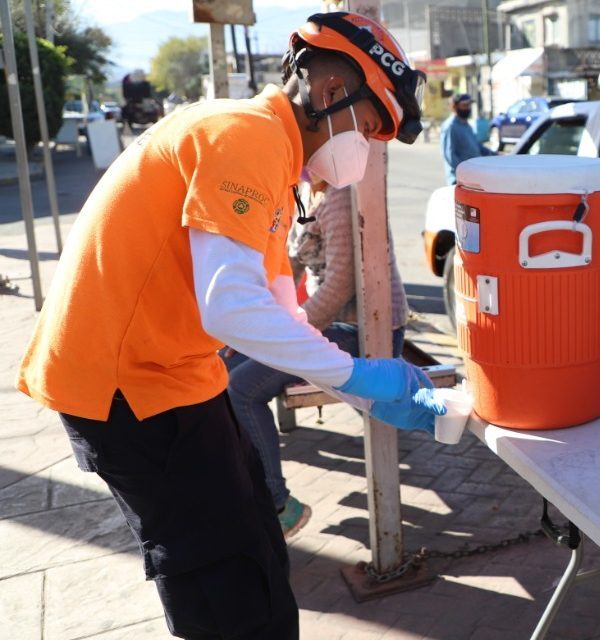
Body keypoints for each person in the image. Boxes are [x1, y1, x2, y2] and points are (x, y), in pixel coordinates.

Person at [16, 12, 439, 639]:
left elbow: (279, 313)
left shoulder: (275, 162)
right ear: (328, 94)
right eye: (371, 129)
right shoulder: (244, 136)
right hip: (128, 390)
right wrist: (359, 373)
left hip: (175, 374)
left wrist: (362, 392)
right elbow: (231, 307)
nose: (369, 150)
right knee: (225, 586)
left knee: (258, 543)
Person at [223, 183, 412, 539]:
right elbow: (290, 266)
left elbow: (340, 285)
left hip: (364, 331)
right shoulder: (305, 190)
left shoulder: (341, 192)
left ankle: (277, 505)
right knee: (223, 366)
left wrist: (284, 334)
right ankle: (243, 489)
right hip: (326, 326)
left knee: (242, 390)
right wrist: (251, 325)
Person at [441, 93, 495, 184]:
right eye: (464, 105)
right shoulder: (450, 126)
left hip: (473, 176)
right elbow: (450, 155)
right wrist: (464, 173)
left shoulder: (467, 125)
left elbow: (477, 146)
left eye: (469, 105)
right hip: (460, 181)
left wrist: (495, 155)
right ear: (455, 106)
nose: (467, 108)